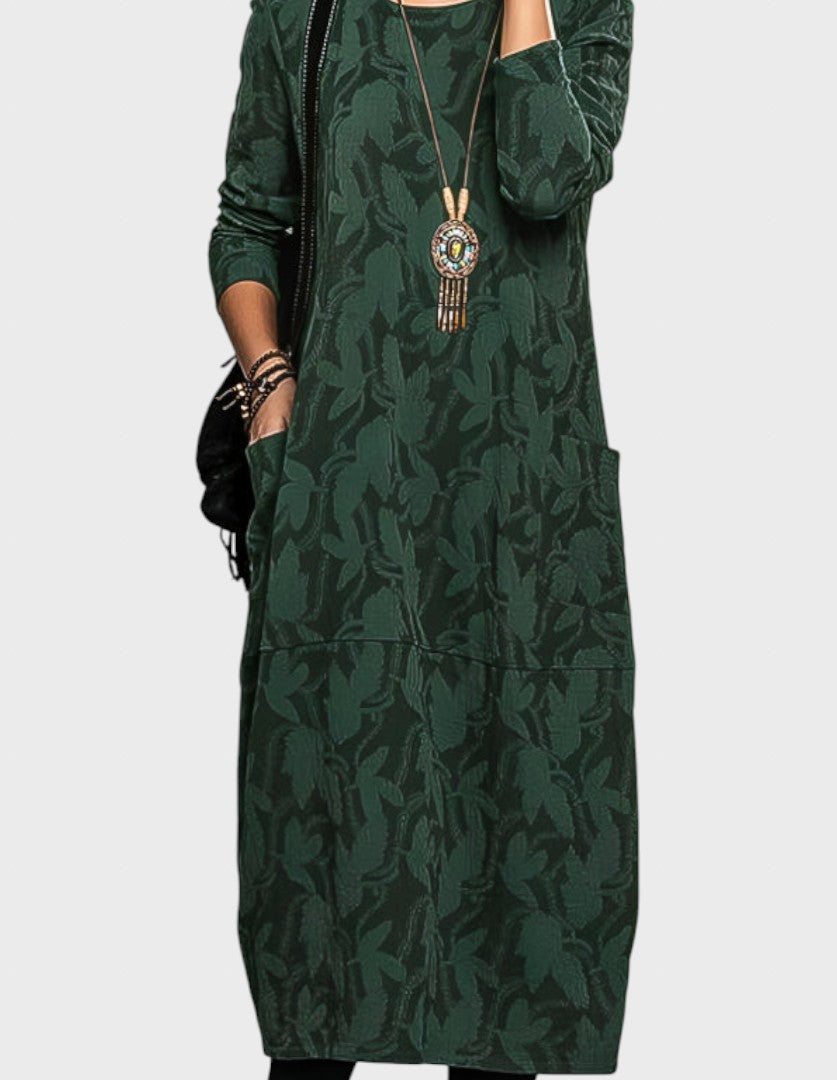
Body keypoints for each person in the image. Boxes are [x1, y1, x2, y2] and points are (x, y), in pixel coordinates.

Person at [208, 1, 639, 1076]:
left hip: (521, 514)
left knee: (520, 872)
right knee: (327, 876)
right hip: (351, 498)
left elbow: (546, 176)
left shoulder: (584, 9)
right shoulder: (304, 13)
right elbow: (249, 218)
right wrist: (271, 382)